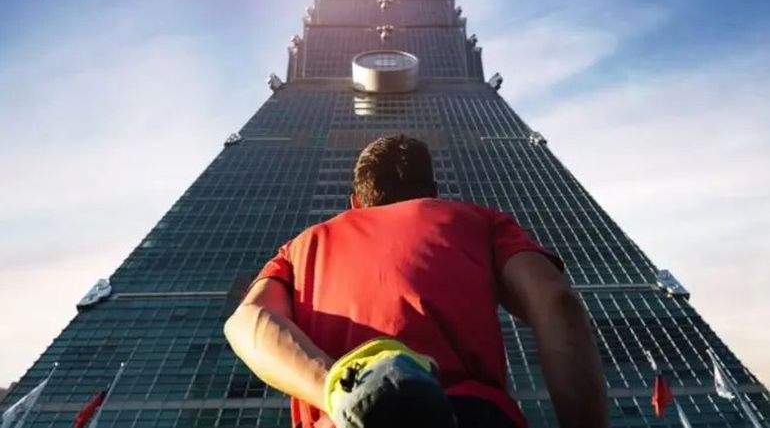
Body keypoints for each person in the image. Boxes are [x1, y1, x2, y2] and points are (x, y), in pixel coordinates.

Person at [224, 135, 608, 428]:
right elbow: (556, 301)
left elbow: (247, 322)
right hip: (470, 412)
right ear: (434, 194)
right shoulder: (479, 221)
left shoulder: (303, 245)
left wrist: (342, 390)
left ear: (355, 202)